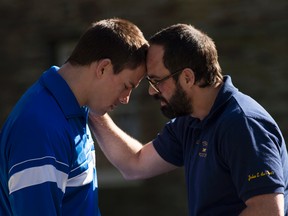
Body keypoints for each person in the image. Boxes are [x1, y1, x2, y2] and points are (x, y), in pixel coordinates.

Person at [89, 23, 288, 216]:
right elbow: (134, 163)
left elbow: (268, 211)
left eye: (157, 81)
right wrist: (93, 109)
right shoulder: (190, 121)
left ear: (187, 78)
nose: (152, 91)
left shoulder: (242, 124)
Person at [0, 18, 148, 215]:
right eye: (127, 86)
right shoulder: (40, 128)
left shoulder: (76, 109)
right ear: (103, 68)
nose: (126, 99)